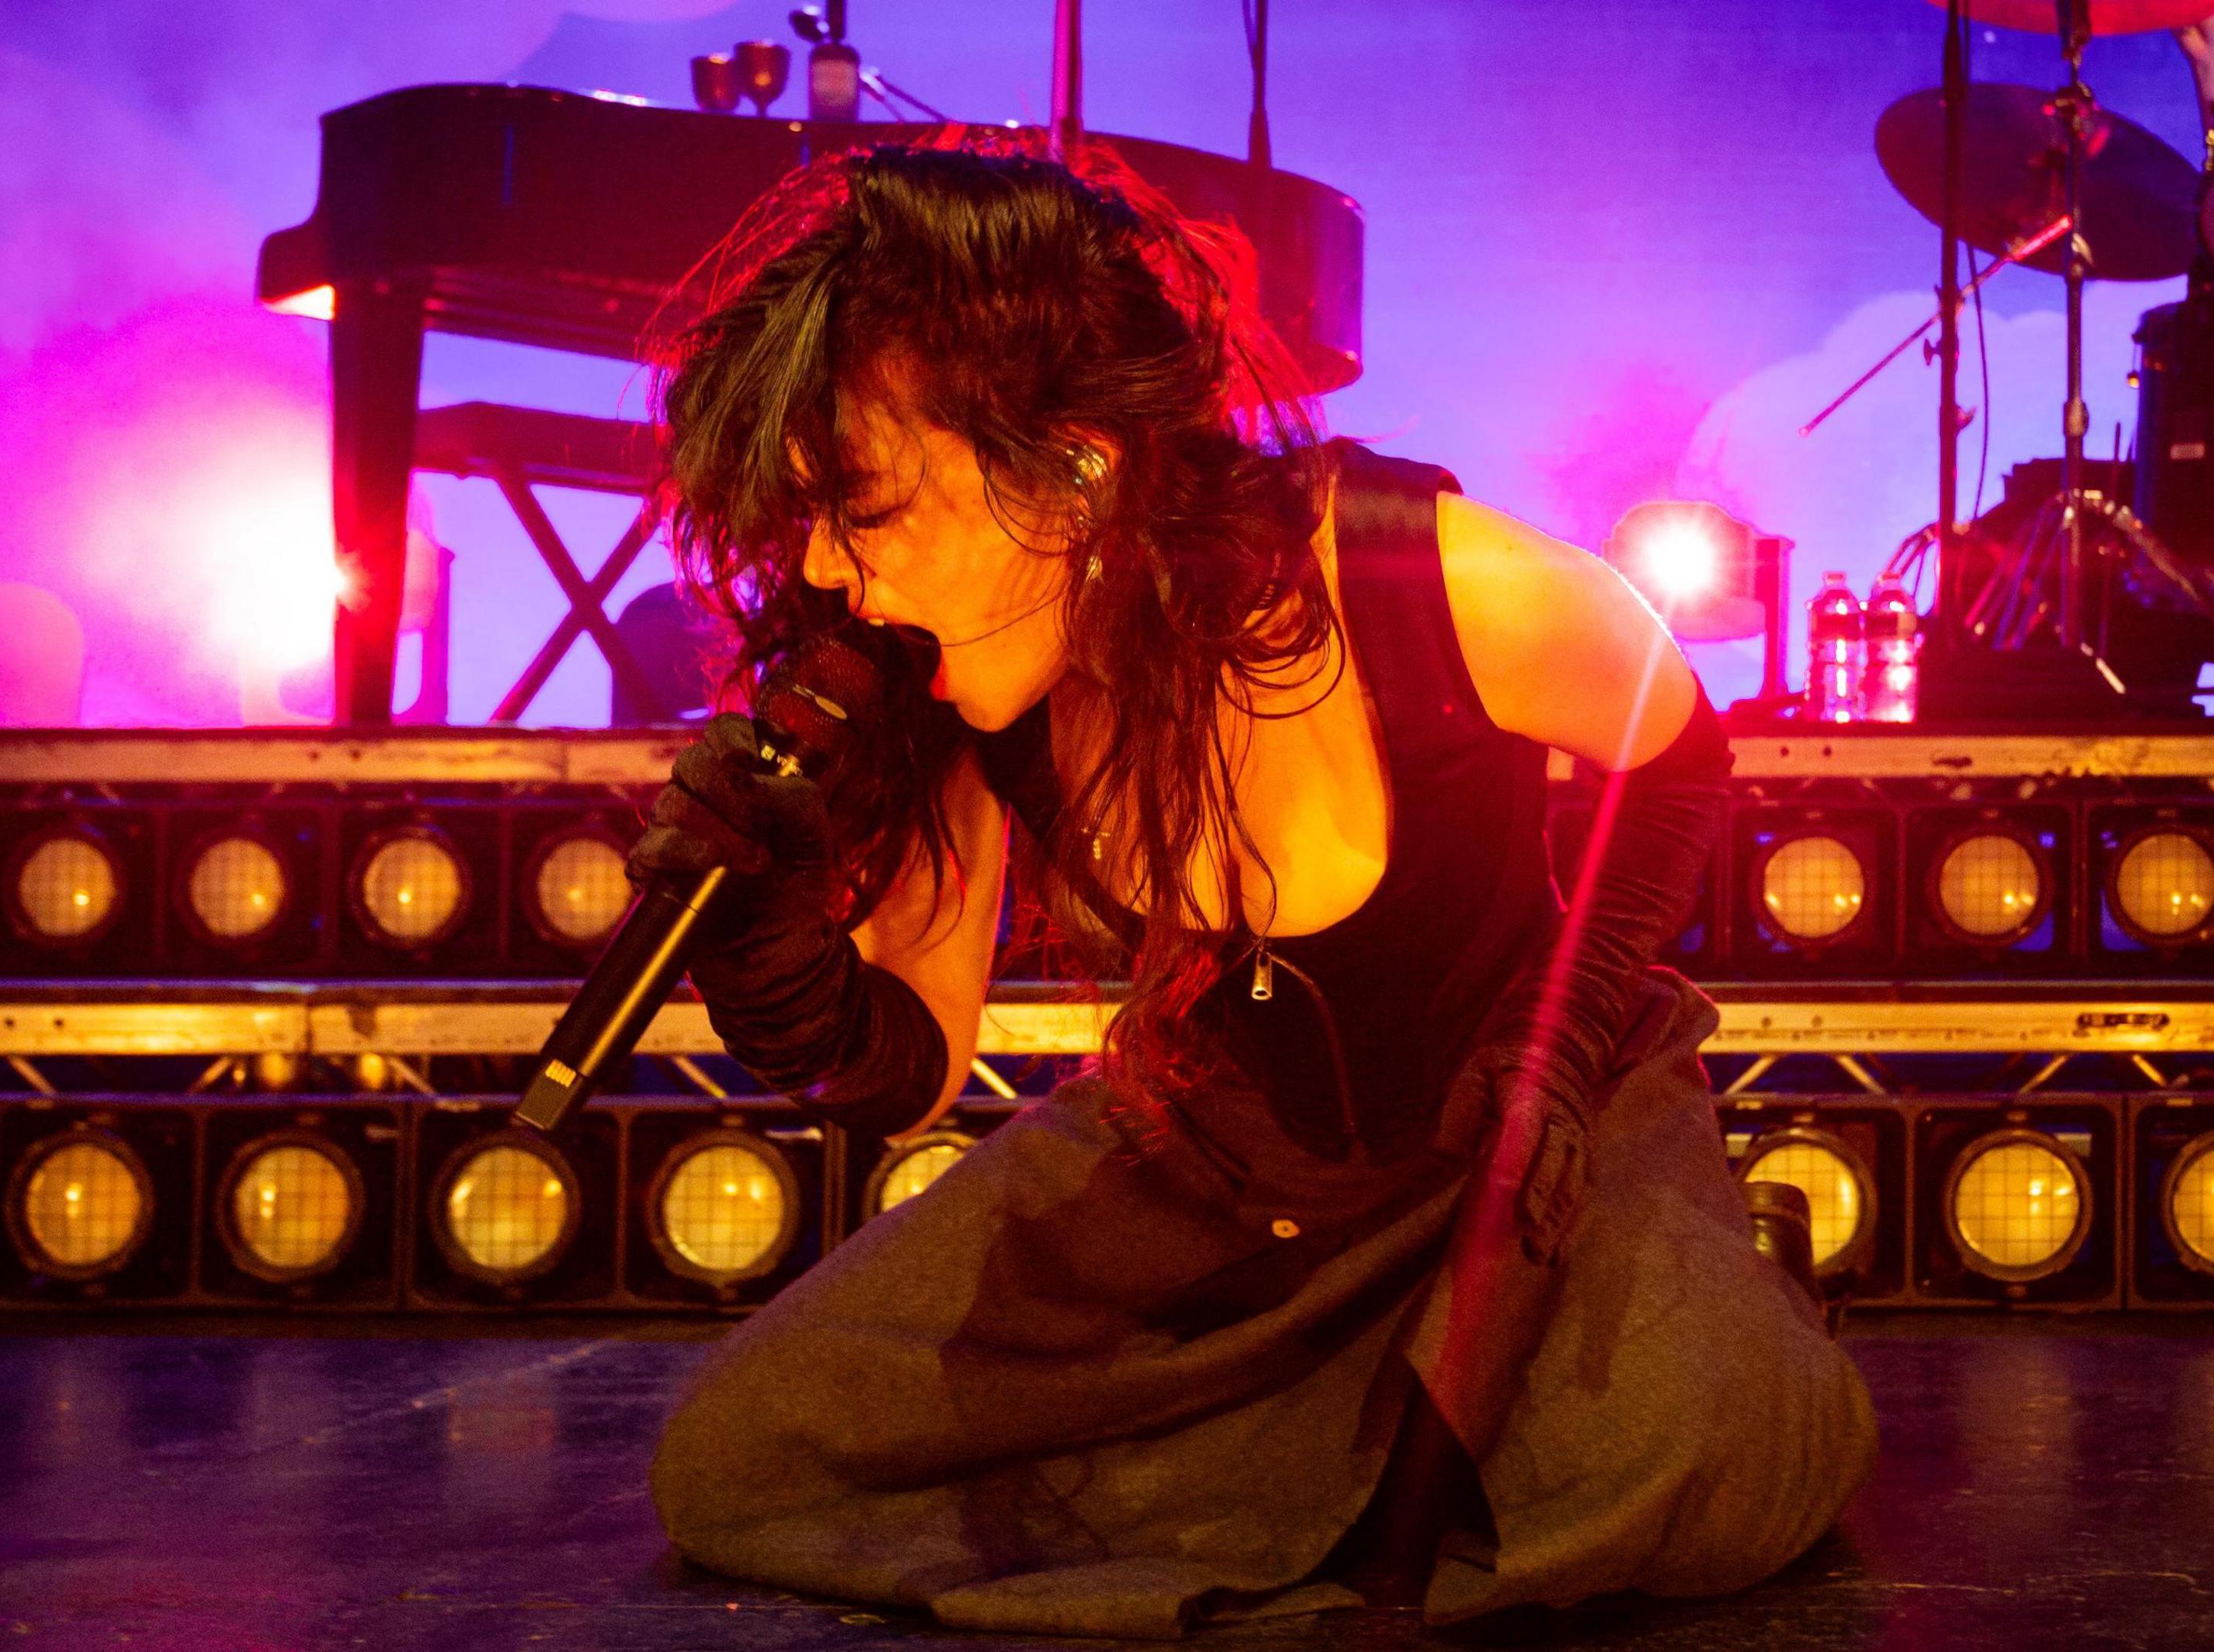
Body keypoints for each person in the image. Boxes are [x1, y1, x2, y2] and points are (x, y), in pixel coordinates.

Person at [634, 142, 1875, 1637]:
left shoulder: (1419, 580)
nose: (828, 569)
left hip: (1522, 1137)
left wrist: (1563, 1029)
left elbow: (1678, 763)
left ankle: (1641, 1336)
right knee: (743, 1459)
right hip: (1205, 1173)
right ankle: (1305, 1470)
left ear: (1076, 468)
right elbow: (907, 1064)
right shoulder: (958, 692)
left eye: (869, 509)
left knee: (1696, 1458)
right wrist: (770, 950)